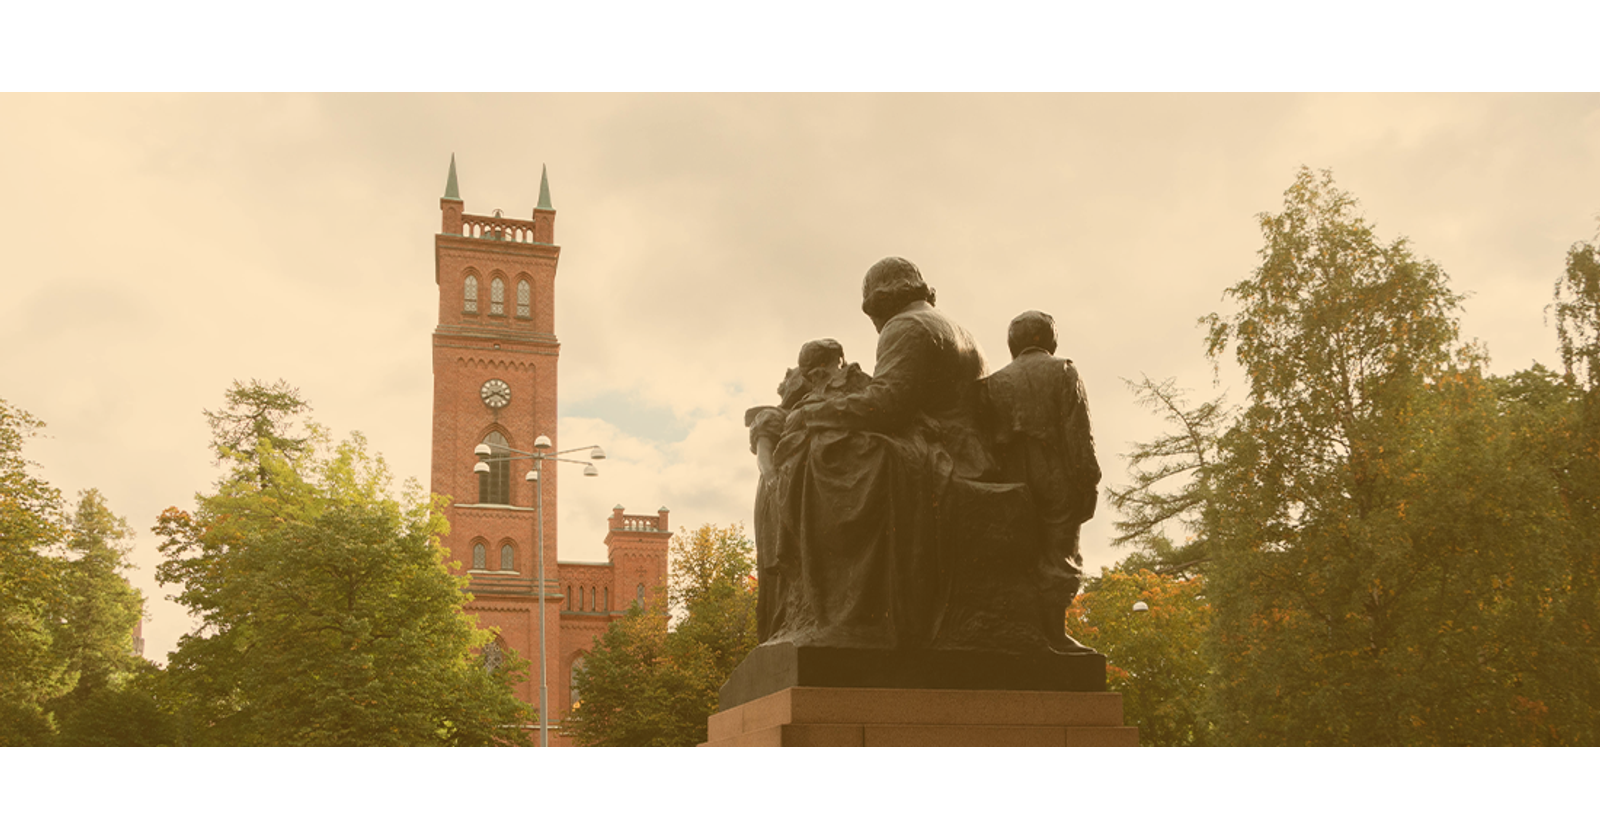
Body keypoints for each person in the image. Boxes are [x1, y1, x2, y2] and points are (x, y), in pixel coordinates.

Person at [764, 257, 991, 649]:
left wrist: (815, 414)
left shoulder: (905, 327)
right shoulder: (953, 326)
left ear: (878, 301)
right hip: (960, 445)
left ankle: (852, 612)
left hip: (944, 451)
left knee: (825, 457)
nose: (872, 321)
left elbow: (887, 404)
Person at [982, 310, 1100, 652]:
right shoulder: (1064, 371)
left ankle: (1024, 633)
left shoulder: (993, 383)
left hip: (1009, 478)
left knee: (1020, 554)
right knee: (1059, 554)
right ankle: (1053, 635)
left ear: (1012, 344)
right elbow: (1079, 433)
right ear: (1051, 340)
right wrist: (1087, 482)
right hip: (1056, 473)